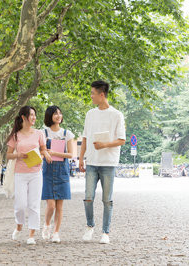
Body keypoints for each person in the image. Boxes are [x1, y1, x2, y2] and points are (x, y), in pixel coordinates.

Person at [79, 80, 125, 244]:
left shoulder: (116, 115)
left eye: (93, 93)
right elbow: (84, 138)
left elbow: (121, 140)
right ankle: (90, 226)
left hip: (108, 163)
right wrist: (81, 158)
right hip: (91, 162)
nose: (91, 96)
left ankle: (105, 232)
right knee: (88, 197)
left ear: (102, 95)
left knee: (107, 200)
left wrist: (105, 144)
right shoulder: (90, 114)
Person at [6, 106, 52, 245]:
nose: (34, 117)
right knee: (20, 205)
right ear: (23, 117)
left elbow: (43, 149)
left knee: (33, 204)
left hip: (36, 173)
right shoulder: (15, 135)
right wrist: (18, 155)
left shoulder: (39, 134)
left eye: (34, 115)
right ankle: (19, 225)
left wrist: (46, 154)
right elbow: (8, 155)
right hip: (20, 173)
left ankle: (31, 234)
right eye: (31, 115)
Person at [41, 106, 74, 243]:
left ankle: (56, 233)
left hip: (62, 171)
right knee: (51, 205)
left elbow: (70, 154)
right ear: (50, 116)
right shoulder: (43, 133)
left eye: (60, 113)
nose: (58, 116)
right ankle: (47, 225)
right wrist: (46, 153)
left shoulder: (67, 134)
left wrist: (54, 153)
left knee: (59, 206)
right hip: (48, 171)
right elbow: (40, 150)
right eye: (55, 114)